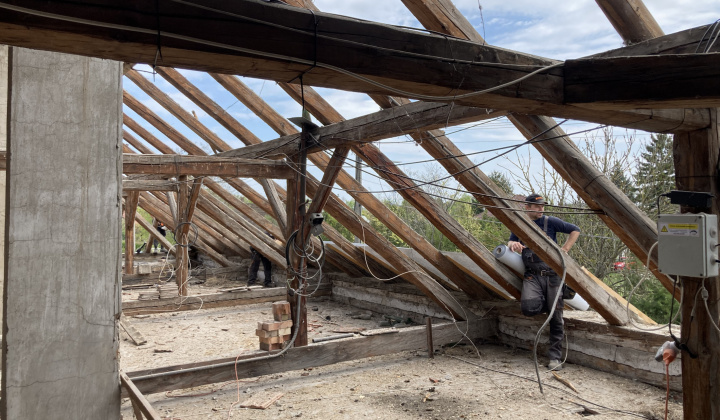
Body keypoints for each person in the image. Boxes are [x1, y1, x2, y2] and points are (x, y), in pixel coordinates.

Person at [507, 193, 580, 371]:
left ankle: (555, 358)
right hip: (532, 275)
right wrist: (511, 245)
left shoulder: (550, 222)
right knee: (528, 308)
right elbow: (511, 240)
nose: (541, 209)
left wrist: (565, 249)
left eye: (543, 206)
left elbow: (575, 229)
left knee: (556, 318)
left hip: (553, 276)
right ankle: (549, 305)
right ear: (528, 207)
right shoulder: (520, 224)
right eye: (537, 206)